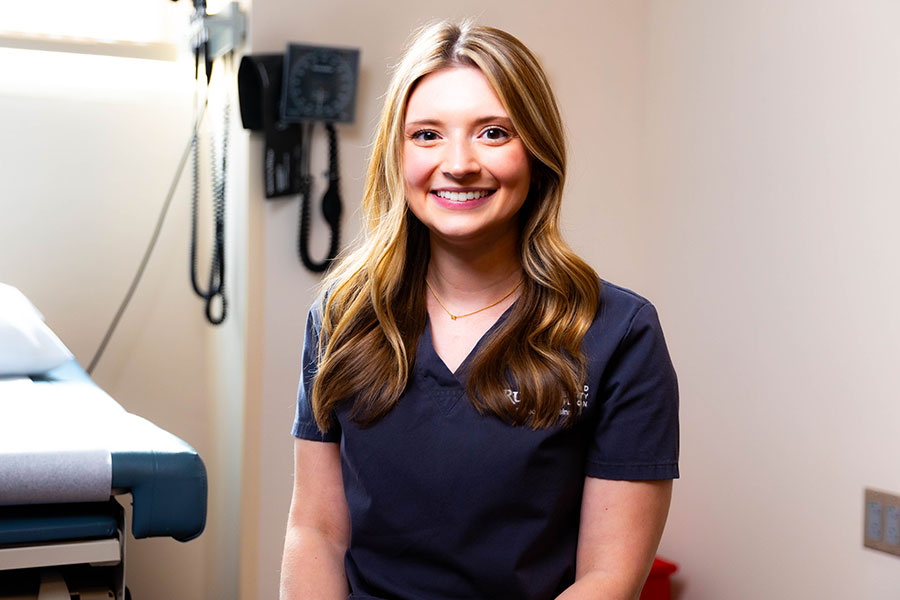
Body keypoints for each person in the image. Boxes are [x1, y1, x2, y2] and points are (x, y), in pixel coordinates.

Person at [281, 19, 679, 600]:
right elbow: (315, 532)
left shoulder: (620, 334)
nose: (460, 163)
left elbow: (608, 577)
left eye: (493, 132)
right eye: (427, 135)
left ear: (537, 151)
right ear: (397, 156)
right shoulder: (344, 317)